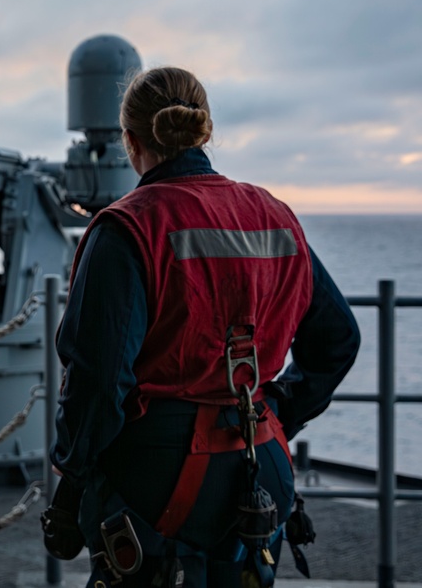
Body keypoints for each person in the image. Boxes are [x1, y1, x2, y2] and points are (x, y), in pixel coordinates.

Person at [48, 67, 360, 587]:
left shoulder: (128, 227)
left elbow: (100, 382)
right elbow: (338, 340)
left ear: (131, 141)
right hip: (258, 468)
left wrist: (71, 477)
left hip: (155, 483)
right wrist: (281, 409)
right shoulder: (274, 216)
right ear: (204, 130)